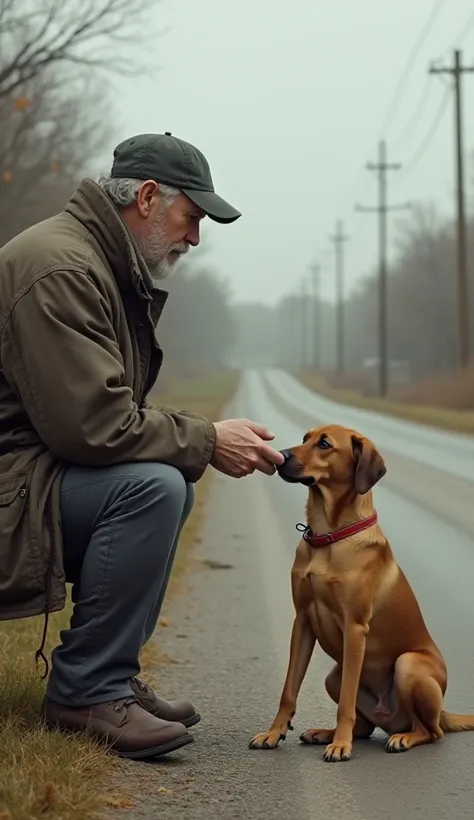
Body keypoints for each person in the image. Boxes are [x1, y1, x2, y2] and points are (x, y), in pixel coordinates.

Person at [0, 132, 285, 760]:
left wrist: (196, 441)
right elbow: (94, 426)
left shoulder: (96, 258)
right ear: (149, 197)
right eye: (192, 218)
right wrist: (208, 438)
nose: (195, 238)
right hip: (12, 484)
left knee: (165, 480)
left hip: (25, 474)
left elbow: (97, 413)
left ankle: (111, 675)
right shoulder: (62, 268)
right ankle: (86, 691)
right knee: (152, 486)